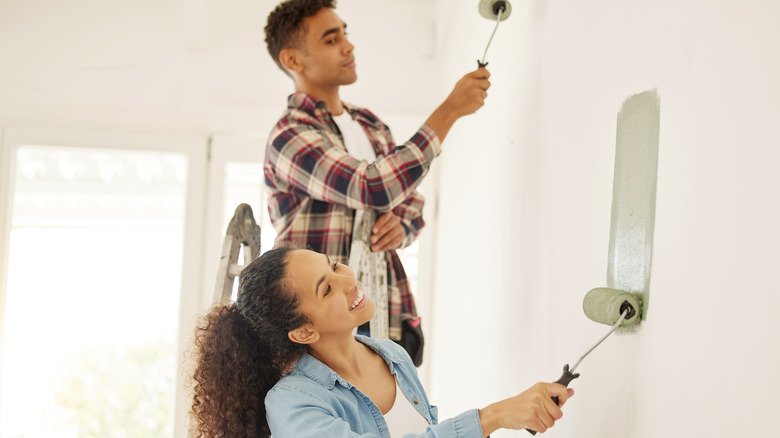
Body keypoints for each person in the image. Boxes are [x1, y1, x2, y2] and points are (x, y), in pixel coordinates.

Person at [262, 0, 491, 352]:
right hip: (318, 329)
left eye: (345, 34)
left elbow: (411, 201)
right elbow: (375, 186)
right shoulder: (290, 136)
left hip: (380, 313)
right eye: (330, 39)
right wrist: (450, 110)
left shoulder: (369, 124)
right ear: (293, 60)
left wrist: (401, 224)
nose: (348, 46)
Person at [190, 246, 574, 437]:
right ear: (304, 331)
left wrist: (513, 413)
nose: (348, 280)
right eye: (327, 290)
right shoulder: (292, 402)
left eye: (334, 265)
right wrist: (492, 418)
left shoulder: (392, 355)